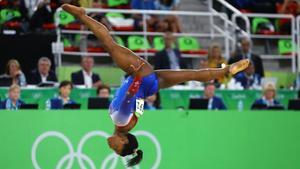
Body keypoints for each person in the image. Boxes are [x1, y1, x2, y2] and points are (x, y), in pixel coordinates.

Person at [61, 4, 250, 167]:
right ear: (123, 139)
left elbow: (140, 106)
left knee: (191, 75)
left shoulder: (131, 124)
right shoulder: (119, 120)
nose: (112, 147)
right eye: (117, 147)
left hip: (150, 86)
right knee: (109, 45)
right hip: (141, 76)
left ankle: (225, 71)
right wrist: (136, 76)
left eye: (114, 150)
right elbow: (128, 98)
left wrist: (141, 88)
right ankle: (81, 15)